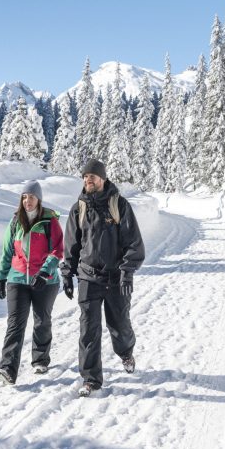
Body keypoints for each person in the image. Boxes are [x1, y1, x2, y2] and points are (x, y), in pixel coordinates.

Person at [62, 159, 145, 397]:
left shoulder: (119, 205)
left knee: (119, 325)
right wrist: (68, 274)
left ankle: (126, 352)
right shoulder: (79, 209)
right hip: (89, 278)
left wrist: (128, 272)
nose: (89, 179)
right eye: (86, 176)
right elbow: (71, 246)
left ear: (103, 179)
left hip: (116, 278)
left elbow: (134, 243)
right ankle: (91, 379)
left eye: (93, 176)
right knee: (88, 329)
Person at [0, 180, 64, 385]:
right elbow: (7, 252)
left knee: (42, 319)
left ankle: (40, 359)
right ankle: (7, 369)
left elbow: (58, 250)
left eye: (31, 197)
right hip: (17, 279)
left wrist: (44, 272)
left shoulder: (50, 221)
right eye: (24, 197)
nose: (27, 201)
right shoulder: (16, 221)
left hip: (45, 280)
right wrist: (1, 277)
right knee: (15, 324)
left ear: (39, 199)